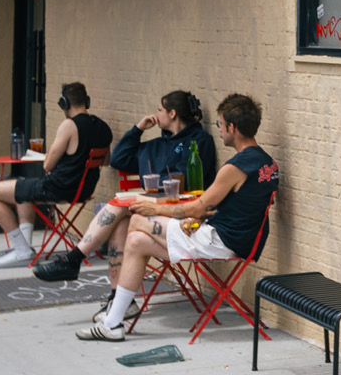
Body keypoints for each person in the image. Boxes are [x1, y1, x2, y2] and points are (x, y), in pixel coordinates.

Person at [76, 92, 278, 341]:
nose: (219, 129)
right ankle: (113, 323)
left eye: (220, 124)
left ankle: (114, 309)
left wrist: (156, 209)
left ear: (232, 127)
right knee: (137, 242)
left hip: (221, 241)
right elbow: (241, 206)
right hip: (243, 240)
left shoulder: (234, 167)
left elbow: (197, 207)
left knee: (138, 219)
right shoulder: (267, 164)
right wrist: (197, 219)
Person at [31, 91, 216, 320]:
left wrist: (150, 194)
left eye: (159, 109)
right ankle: (119, 299)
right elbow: (118, 159)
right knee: (120, 225)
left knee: (119, 206)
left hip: (184, 216)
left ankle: (74, 259)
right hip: (156, 211)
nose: (156, 114)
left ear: (172, 113)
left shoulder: (198, 142)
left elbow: (184, 181)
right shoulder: (156, 145)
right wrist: (138, 129)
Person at [0, 82, 112, 269]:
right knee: (23, 188)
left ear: (64, 103)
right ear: (87, 101)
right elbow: (105, 161)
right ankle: (25, 248)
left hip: (57, 188)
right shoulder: (103, 127)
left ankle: (21, 251)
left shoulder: (69, 125)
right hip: (83, 190)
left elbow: (47, 165)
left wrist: (53, 158)